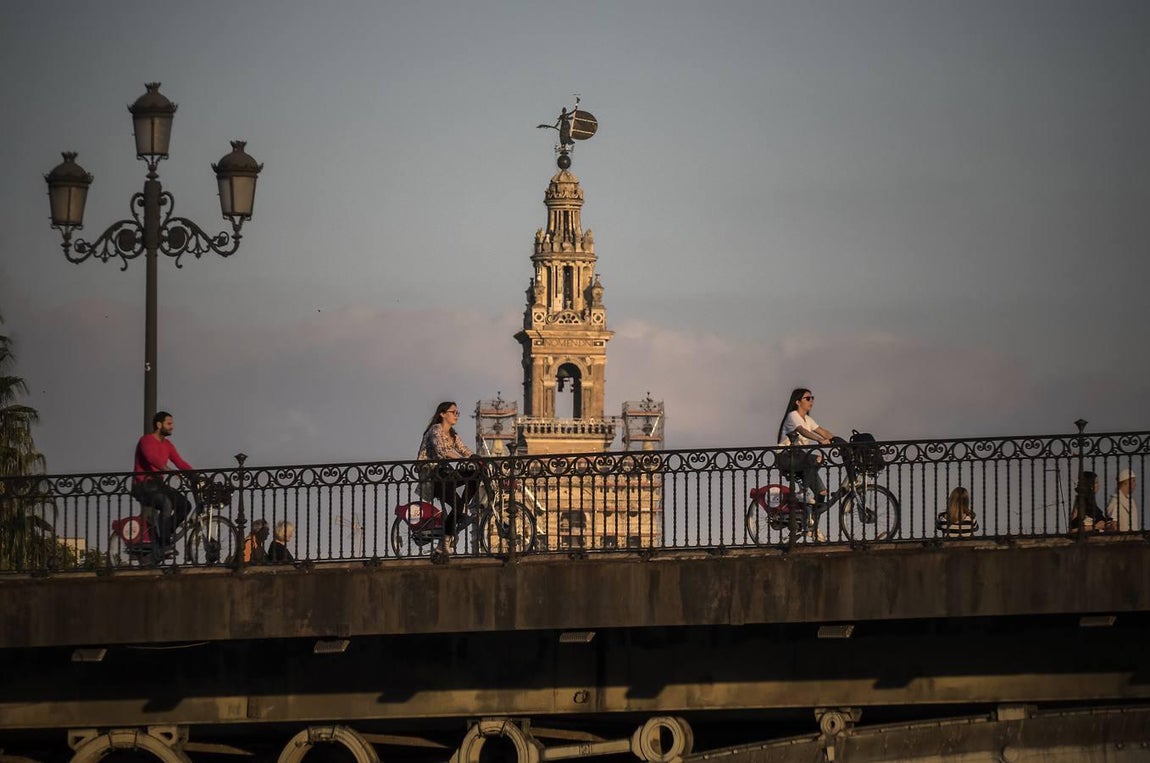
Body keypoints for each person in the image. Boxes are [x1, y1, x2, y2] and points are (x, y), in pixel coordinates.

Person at [416, 401, 482, 562]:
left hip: (445, 473)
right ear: (443, 414)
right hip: (432, 475)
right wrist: (463, 460)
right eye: (453, 412)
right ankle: (444, 543)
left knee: (475, 473)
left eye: (457, 413)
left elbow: (463, 449)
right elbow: (443, 451)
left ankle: (462, 510)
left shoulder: (452, 434)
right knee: (456, 504)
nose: (456, 416)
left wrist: (476, 458)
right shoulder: (435, 430)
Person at [131, 410, 194, 545]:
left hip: (159, 485)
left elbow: (180, 462)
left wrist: (196, 476)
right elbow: (151, 458)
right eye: (169, 423)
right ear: (159, 425)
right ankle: (162, 540)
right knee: (166, 503)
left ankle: (163, 532)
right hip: (143, 486)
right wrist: (168, 470)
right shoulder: (146, 440)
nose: (172, 426)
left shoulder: (167, 445)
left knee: (185, 505)